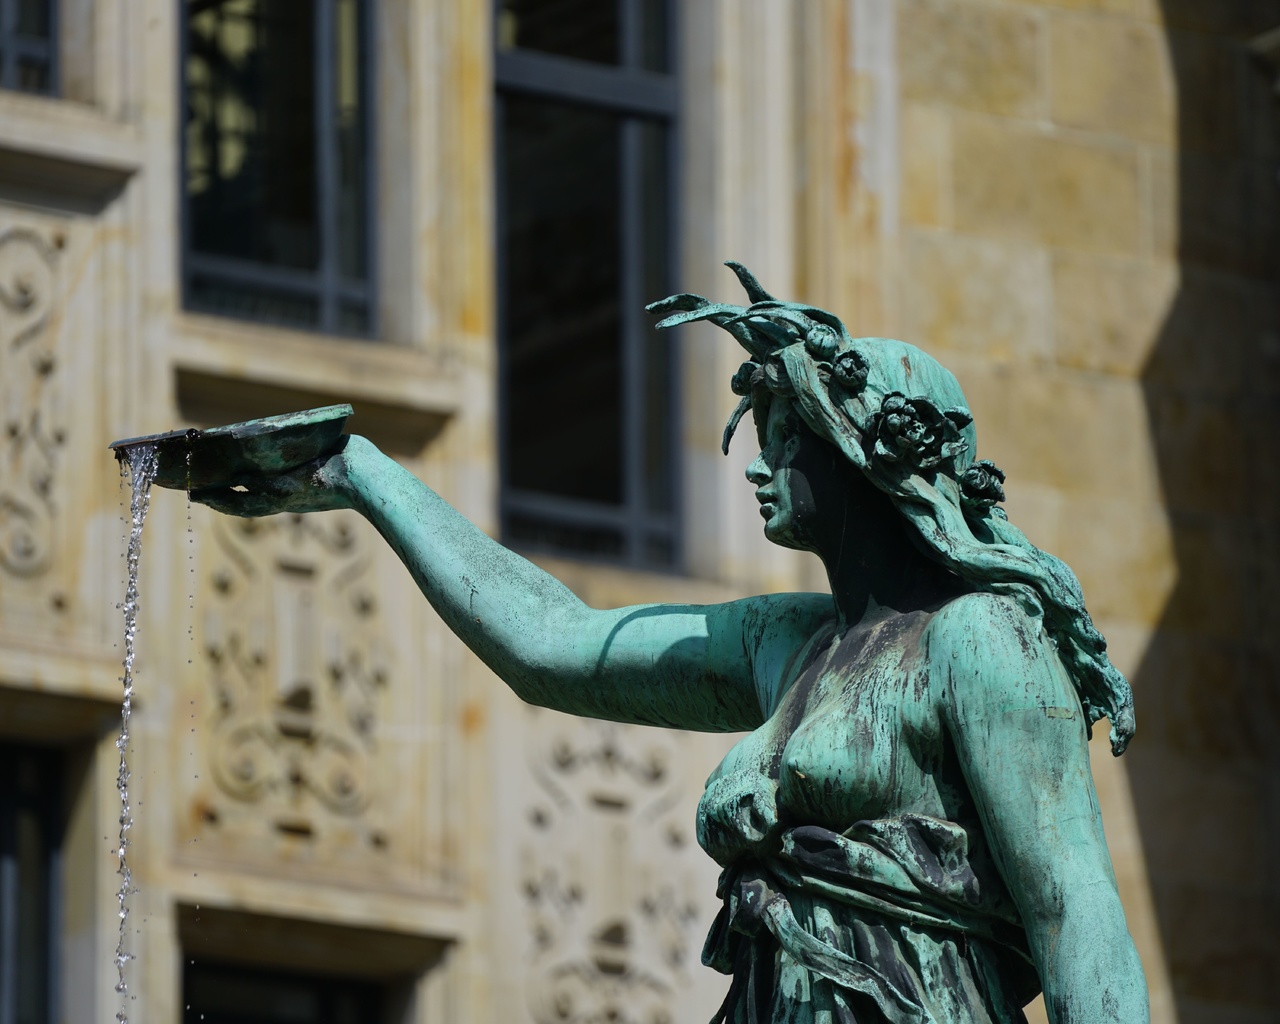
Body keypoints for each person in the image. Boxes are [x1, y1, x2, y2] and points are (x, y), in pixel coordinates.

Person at [193, 264, 1149, 1024]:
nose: (760, 461)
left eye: (785, 432)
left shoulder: (984, 640)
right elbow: (553, 644)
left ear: (866, 456)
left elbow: (1074, 909)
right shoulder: (789, 645)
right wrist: (362, 476)